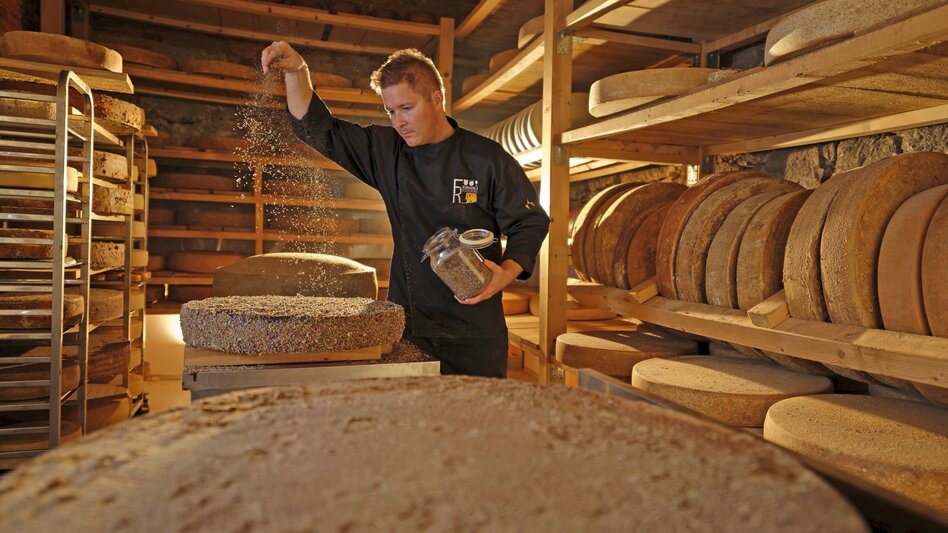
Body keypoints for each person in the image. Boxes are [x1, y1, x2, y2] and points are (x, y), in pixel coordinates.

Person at [261, 42, 550, 378]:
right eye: (390, 111)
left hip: (473, 332)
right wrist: (298, 71)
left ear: (436, 99)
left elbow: (529, 221)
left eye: (407, 108)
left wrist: (507, 271)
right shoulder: (386, 150)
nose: (399, 121)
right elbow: (316, 127)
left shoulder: (486, 158)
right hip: (408, 326)